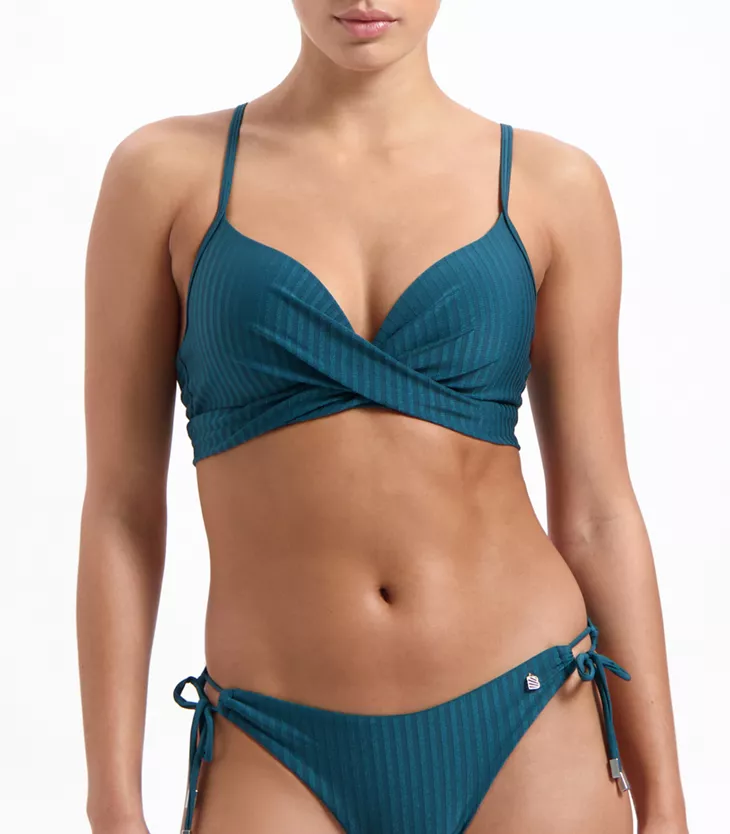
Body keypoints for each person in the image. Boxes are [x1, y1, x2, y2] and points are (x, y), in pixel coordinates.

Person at [77, 2, 689, 833]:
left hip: (529, 718)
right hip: (273, 739)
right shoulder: (164, 175)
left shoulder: (553, 185)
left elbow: (598, 513)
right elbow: (120, 511)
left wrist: (666, 800)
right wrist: (112, 803)